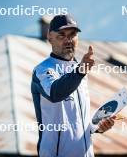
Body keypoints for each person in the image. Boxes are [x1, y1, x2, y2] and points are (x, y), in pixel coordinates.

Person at [31, 14, 115, 157]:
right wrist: (80, 71)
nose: (68, 40)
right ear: (49, 37)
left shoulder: (80, 70)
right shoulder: (43, 70)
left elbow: (79, 121)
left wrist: (98, 127)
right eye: (61, 35)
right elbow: (55, 93)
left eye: (73, 34)